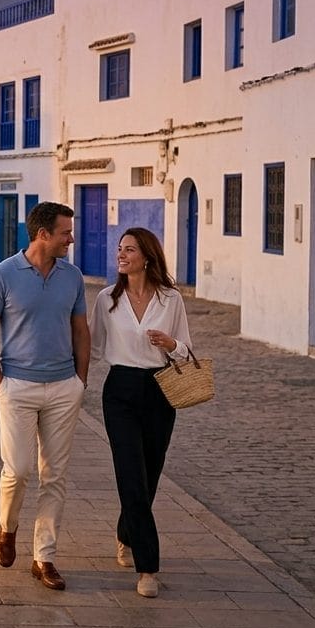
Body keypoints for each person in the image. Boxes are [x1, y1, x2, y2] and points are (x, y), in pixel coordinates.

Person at [0, 202, 89, 591]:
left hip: (63, 388)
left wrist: (80, 382)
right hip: (17, 387)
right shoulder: (2, 275)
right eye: (65, 233)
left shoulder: (72, 277)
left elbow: (81, 331)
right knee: (19, 469)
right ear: (43, 234)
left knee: (54, 475)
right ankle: (7, 529)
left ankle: (45, 557)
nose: (71, 239)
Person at [89, 227, 192, 599]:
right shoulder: (106, 299)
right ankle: (147, 568)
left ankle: (124, 532)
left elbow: (186, 349)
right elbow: (94, 345)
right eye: (119, 249)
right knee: (130, 473)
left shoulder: (170, 300)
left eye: (129, 249)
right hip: (119, 391)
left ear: (146, 256)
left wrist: (171, 343)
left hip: (160, 390)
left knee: (149, 475)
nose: (121, 255)